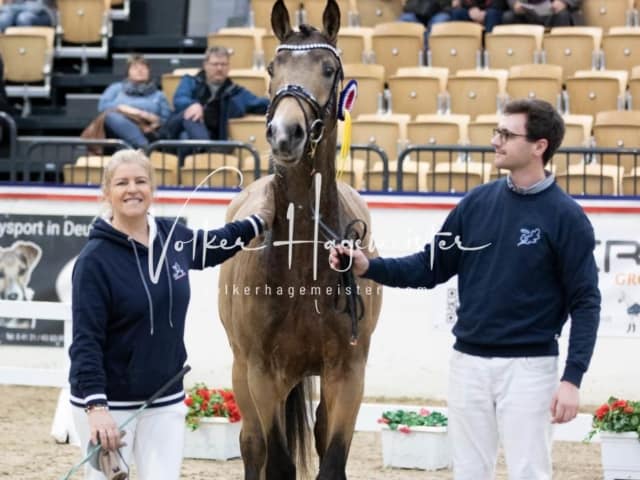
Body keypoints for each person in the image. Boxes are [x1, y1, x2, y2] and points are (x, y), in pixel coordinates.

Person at [330, 99, 601, 479]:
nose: (496, 141)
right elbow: (429, 267)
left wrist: (572, 378)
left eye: (507, 134)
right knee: (470, 472)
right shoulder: (475, 203)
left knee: (529, 472)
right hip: (467, 363)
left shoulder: (567, 217)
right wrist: (367, 266)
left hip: (530, 368)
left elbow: (586, 302)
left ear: (540, 146)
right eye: (496, 131)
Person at [68, 149, 274, 479]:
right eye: (122, 183)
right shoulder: (93, 261)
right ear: (107, 193)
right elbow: (85, 342)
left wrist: (258, 221)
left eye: (141, 181)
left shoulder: (173, 236)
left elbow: (216, 245)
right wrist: (97, 408)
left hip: (165, 398)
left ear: (153, 189)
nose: (132, 189)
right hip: (110, 405)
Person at [168, 45, 269, 141]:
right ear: (205, 65)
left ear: (229, 67)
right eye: (215, 64)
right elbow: (179, 99)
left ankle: (204, 146)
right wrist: (193, 105)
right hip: (182, 130)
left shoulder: (236, 92)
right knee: (190, 121)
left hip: (215, 139)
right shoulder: (190, 82)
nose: (219, 68)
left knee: (185, 137)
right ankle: (205, 146)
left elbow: (262, 104)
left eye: (223, 64)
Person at [98, 54, 171, 149]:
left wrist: (138, 113)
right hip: (118, 132)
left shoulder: (159, 95)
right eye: (135, 67)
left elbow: (166, 119)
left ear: (149, 71)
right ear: (128, 72)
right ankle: (144, 147)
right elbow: (103, 107)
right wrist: (132, 112)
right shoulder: (116, 88)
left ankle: (138, 148)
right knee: (111, 116)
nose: (140, 70)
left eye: (144, 67)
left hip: (148, 132)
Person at [502, 0, 582, 27]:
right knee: (508, 17)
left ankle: (561, 53)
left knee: (563, 16)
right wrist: (515, 4)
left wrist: (564, 2)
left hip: (554, 12)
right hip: (528, 12)